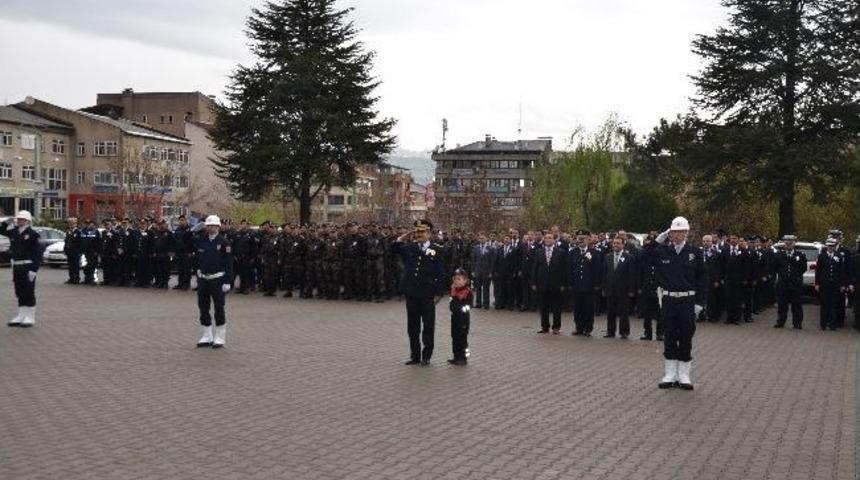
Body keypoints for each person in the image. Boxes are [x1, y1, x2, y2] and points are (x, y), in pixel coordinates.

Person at [654, 217, 706, 391]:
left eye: (681, 231)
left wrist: (699, 303)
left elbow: (702, 279)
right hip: (668, 300)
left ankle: (684, 375)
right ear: (670, 233)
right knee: (669, 335)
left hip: (687, 300)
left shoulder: (695, 252)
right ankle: (670, 374)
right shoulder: (663, 251)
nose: (677, 235)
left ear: (686, 233)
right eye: (674, 231)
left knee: (685, 336)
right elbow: (643, 258)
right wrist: (657, 241)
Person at [391, 219, 447, 366]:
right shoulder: (410, 247)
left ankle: (426, 356)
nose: (418, 234)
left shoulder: (437, 249)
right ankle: (415, 356)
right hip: (412, 292)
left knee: (428, 326)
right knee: (412, 327)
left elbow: (441, 272)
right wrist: (403, 236)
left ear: (429, 233)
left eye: (421, 232)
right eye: (416, 231)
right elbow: (393, 249)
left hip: (428, 294)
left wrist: (439, 292)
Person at [191, 215, 234, 348]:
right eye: (208, 226)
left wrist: (228, 281)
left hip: (218, 279)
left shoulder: (224, 242)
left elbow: (228, 263)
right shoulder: (201, 241)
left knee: (219, 308)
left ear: (218, 227)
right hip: (204, 279)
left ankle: (220, 336)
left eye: (213, 226)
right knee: (203, 307)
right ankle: (207, 335)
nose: (210, 228)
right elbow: (187, 243)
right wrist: (193, 229)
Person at [1, 211, 42, 327]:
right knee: (19, 291)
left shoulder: (33, 234)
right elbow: (1, 230)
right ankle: (21, 315)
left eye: (21, 219)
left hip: (27, 265)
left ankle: (30, 316)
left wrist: (34, 270)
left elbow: (37, 254)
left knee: (28, 291)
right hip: (17, 266)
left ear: (27, 221)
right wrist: (5, 222)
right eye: (17, 219)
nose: (18, 221)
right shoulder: (14, 232)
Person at [568, 229, 602, 336]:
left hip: (589, 286)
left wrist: (596, 284)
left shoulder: (594, 253)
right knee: (577, 308)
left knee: (588, 308)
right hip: (576, 285)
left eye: (584, 238)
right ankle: (579, 327)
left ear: (588, 239)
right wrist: (570, 283)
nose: (581, 240)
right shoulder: (572, 252)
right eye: (579, 238)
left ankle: (588, 328)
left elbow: (597, 270)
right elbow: (569, 269)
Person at [531, 232, 567, 334]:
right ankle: (544, 326)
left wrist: (563, 284)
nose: (548, 240)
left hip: (556, 284)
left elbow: (564, 269)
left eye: (550, 238)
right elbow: (535, 267)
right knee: (543, 307)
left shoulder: (560, 252)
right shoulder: (539, 252)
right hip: (542, 284)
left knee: (556, 307)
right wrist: (534, 282)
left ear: (554, 240)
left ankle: (556, 327)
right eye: (546, 238)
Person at [602, 235, 636, 339]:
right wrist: (603, 288)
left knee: (623, 312)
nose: (615, 245)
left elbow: (632, 275)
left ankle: (624, 332)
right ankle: (610, 331)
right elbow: (604, 273)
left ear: (623, 244)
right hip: (610, 289)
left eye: (618, 243)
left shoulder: (629, 257)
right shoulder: (607, 257)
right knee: (610, 312)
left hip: (623, 290)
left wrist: (631, 289)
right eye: (614, 243)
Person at [773, 235, 807, 329]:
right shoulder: (779, 255)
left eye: (790, 242)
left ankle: (797, 323)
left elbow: (803, 268)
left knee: (797, 305)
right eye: (787, 242)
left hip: (795, 284)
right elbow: (775, 267)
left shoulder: (800, 255)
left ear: (794, 243)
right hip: (783, 284)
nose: (788, 244)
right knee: (782, 305)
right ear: (784, 243)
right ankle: (780, 321)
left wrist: (795, 277)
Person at [815, 238, 847, 331]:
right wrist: (817, 283)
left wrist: (842, 284)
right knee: (824, 304)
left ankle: (833, 324)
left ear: (834, 246)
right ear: (826, 246)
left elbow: (842, 271)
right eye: (829, 246)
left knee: (834, 305)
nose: (830, 248)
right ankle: (823, 324)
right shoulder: (822, 256)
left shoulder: (839, 256)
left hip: (835, 284)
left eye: (832, 246)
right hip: (824, 284)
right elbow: (818, 271)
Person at [448, 268, 472, 366]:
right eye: (455, 279)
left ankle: (464, 358)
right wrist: (452, 307)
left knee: (462, 339)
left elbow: (469, 306)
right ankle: (456, 356)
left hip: (463, 319)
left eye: (459, 279)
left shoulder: (468, 292)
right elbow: (451, 302)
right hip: (455, 318)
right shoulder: (453, 291)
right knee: (455, 337)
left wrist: (460, 309)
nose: (456, 281)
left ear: (465, 280)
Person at [64, 217, 83, 284]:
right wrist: (65, 249)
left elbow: (80, 242)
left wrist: (80, 252)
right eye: (70, 223)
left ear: (75, 224)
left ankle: (76, 278)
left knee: (75, 266)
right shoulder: (68, 232)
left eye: (72, 223)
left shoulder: (78, 232)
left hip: (76, 251)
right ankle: (71, 278)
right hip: (69, 251)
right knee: (70, 265)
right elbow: (66, 241)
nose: (71, 225)